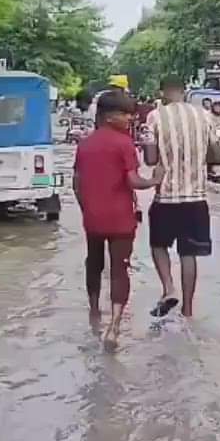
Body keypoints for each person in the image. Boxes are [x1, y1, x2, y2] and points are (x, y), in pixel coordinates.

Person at [73, 90, 163, 350]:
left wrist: (86, 208)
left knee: (94, 262)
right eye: (125, 113)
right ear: (110, 116)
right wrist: (155, 180)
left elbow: (76, 184)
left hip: (92, 217)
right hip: (121, 218)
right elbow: (133, 181)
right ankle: (113, 327)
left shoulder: (84, 144)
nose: (130, 118)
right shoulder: (124, 144)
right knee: (120, 268)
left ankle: (94, 312)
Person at [143, 76, 215, 318]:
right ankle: (188, 310)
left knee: (158, 245)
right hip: (196, 198)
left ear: (162, 91)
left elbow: (151, 159)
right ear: (184, 91)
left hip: (166, 197)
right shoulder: (204, 115)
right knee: (189, 254)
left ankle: (168, 288)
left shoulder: (155, 116)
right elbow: (215, 153)